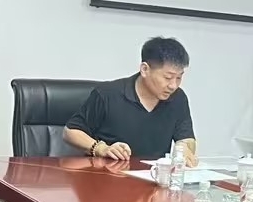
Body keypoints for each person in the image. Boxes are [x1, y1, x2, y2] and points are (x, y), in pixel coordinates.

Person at [64, 37, 197, 165]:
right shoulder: (108, 94)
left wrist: (185, 148)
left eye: (179, 78)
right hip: (108, 174)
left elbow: (186, 138)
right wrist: (101, 148)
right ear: (145, 69)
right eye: (168, 77)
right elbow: (71, 132)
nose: (173, 85)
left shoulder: (178, 98)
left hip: (153, 175)